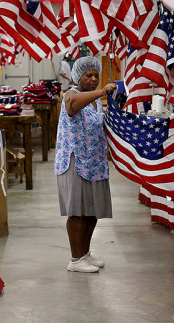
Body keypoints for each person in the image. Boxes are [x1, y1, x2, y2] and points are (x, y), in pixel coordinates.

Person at [55, 56, 118, 273]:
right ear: (77, 76)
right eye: (88, 75)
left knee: (91, 212)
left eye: (96, 76)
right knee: (77, 213)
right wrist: (101, 92)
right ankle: (74, 259)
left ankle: (84, 255)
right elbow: (72, 105)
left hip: (94, 163)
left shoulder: (94, 103)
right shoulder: (71, 94)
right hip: (75, 163)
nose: (93, 79)